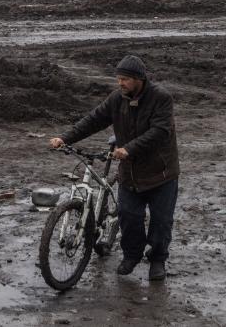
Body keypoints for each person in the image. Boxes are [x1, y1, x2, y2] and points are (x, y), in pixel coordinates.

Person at [49, 56, 179, 282]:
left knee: (161, 221)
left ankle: (157, 259)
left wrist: (129, 148)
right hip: (130, 173)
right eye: (118, 79)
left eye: (125, 79)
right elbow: (94, 120)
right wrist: (65, 138)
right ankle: (131, 256)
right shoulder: (117, 99)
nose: (120, 83)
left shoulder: (161, 98)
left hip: (161, 173)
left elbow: (160, 131)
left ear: (139, 79)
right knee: (129, 217)